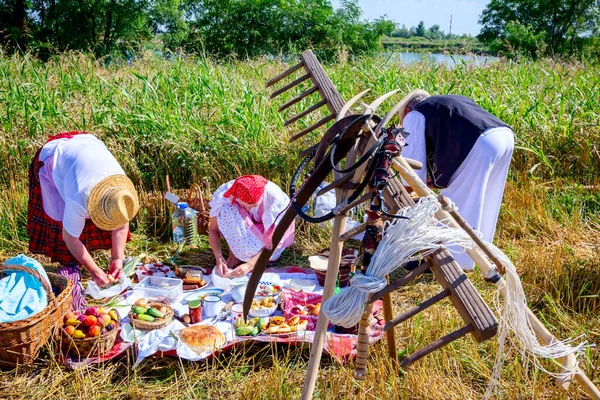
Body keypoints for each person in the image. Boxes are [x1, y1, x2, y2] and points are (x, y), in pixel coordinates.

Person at [398, 90, 515, 270]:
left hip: (481, 144)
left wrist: (407, 198)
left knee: (457, 203)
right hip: (504, 136)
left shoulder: (414, 115)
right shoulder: (444, 104)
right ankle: (479, 257)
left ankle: (450, 264)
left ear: (406, 110)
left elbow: (410, 170)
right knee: (485, 202)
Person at [27, 131, 139, 300]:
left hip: (85, 149)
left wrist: (118, 258)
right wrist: (93, 270)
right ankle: (69, 270)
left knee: (79, 221)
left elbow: (122, 224)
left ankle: (80, 262)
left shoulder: (122, 191)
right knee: (61, 220)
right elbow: (70, 238)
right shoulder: (80, 195)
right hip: (54, 156)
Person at [208, 175, 294, 278]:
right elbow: (213, 229)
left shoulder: (276, 202)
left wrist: (249, 265)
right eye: (244, 205)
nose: (248, 209)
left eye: (253, 205)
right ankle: (234, 256)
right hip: (250, 228)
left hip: (270, 238)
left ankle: (259, 258)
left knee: (248, 249)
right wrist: (219, 258)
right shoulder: (228, 191)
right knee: (225, 208)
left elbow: (276, 242)